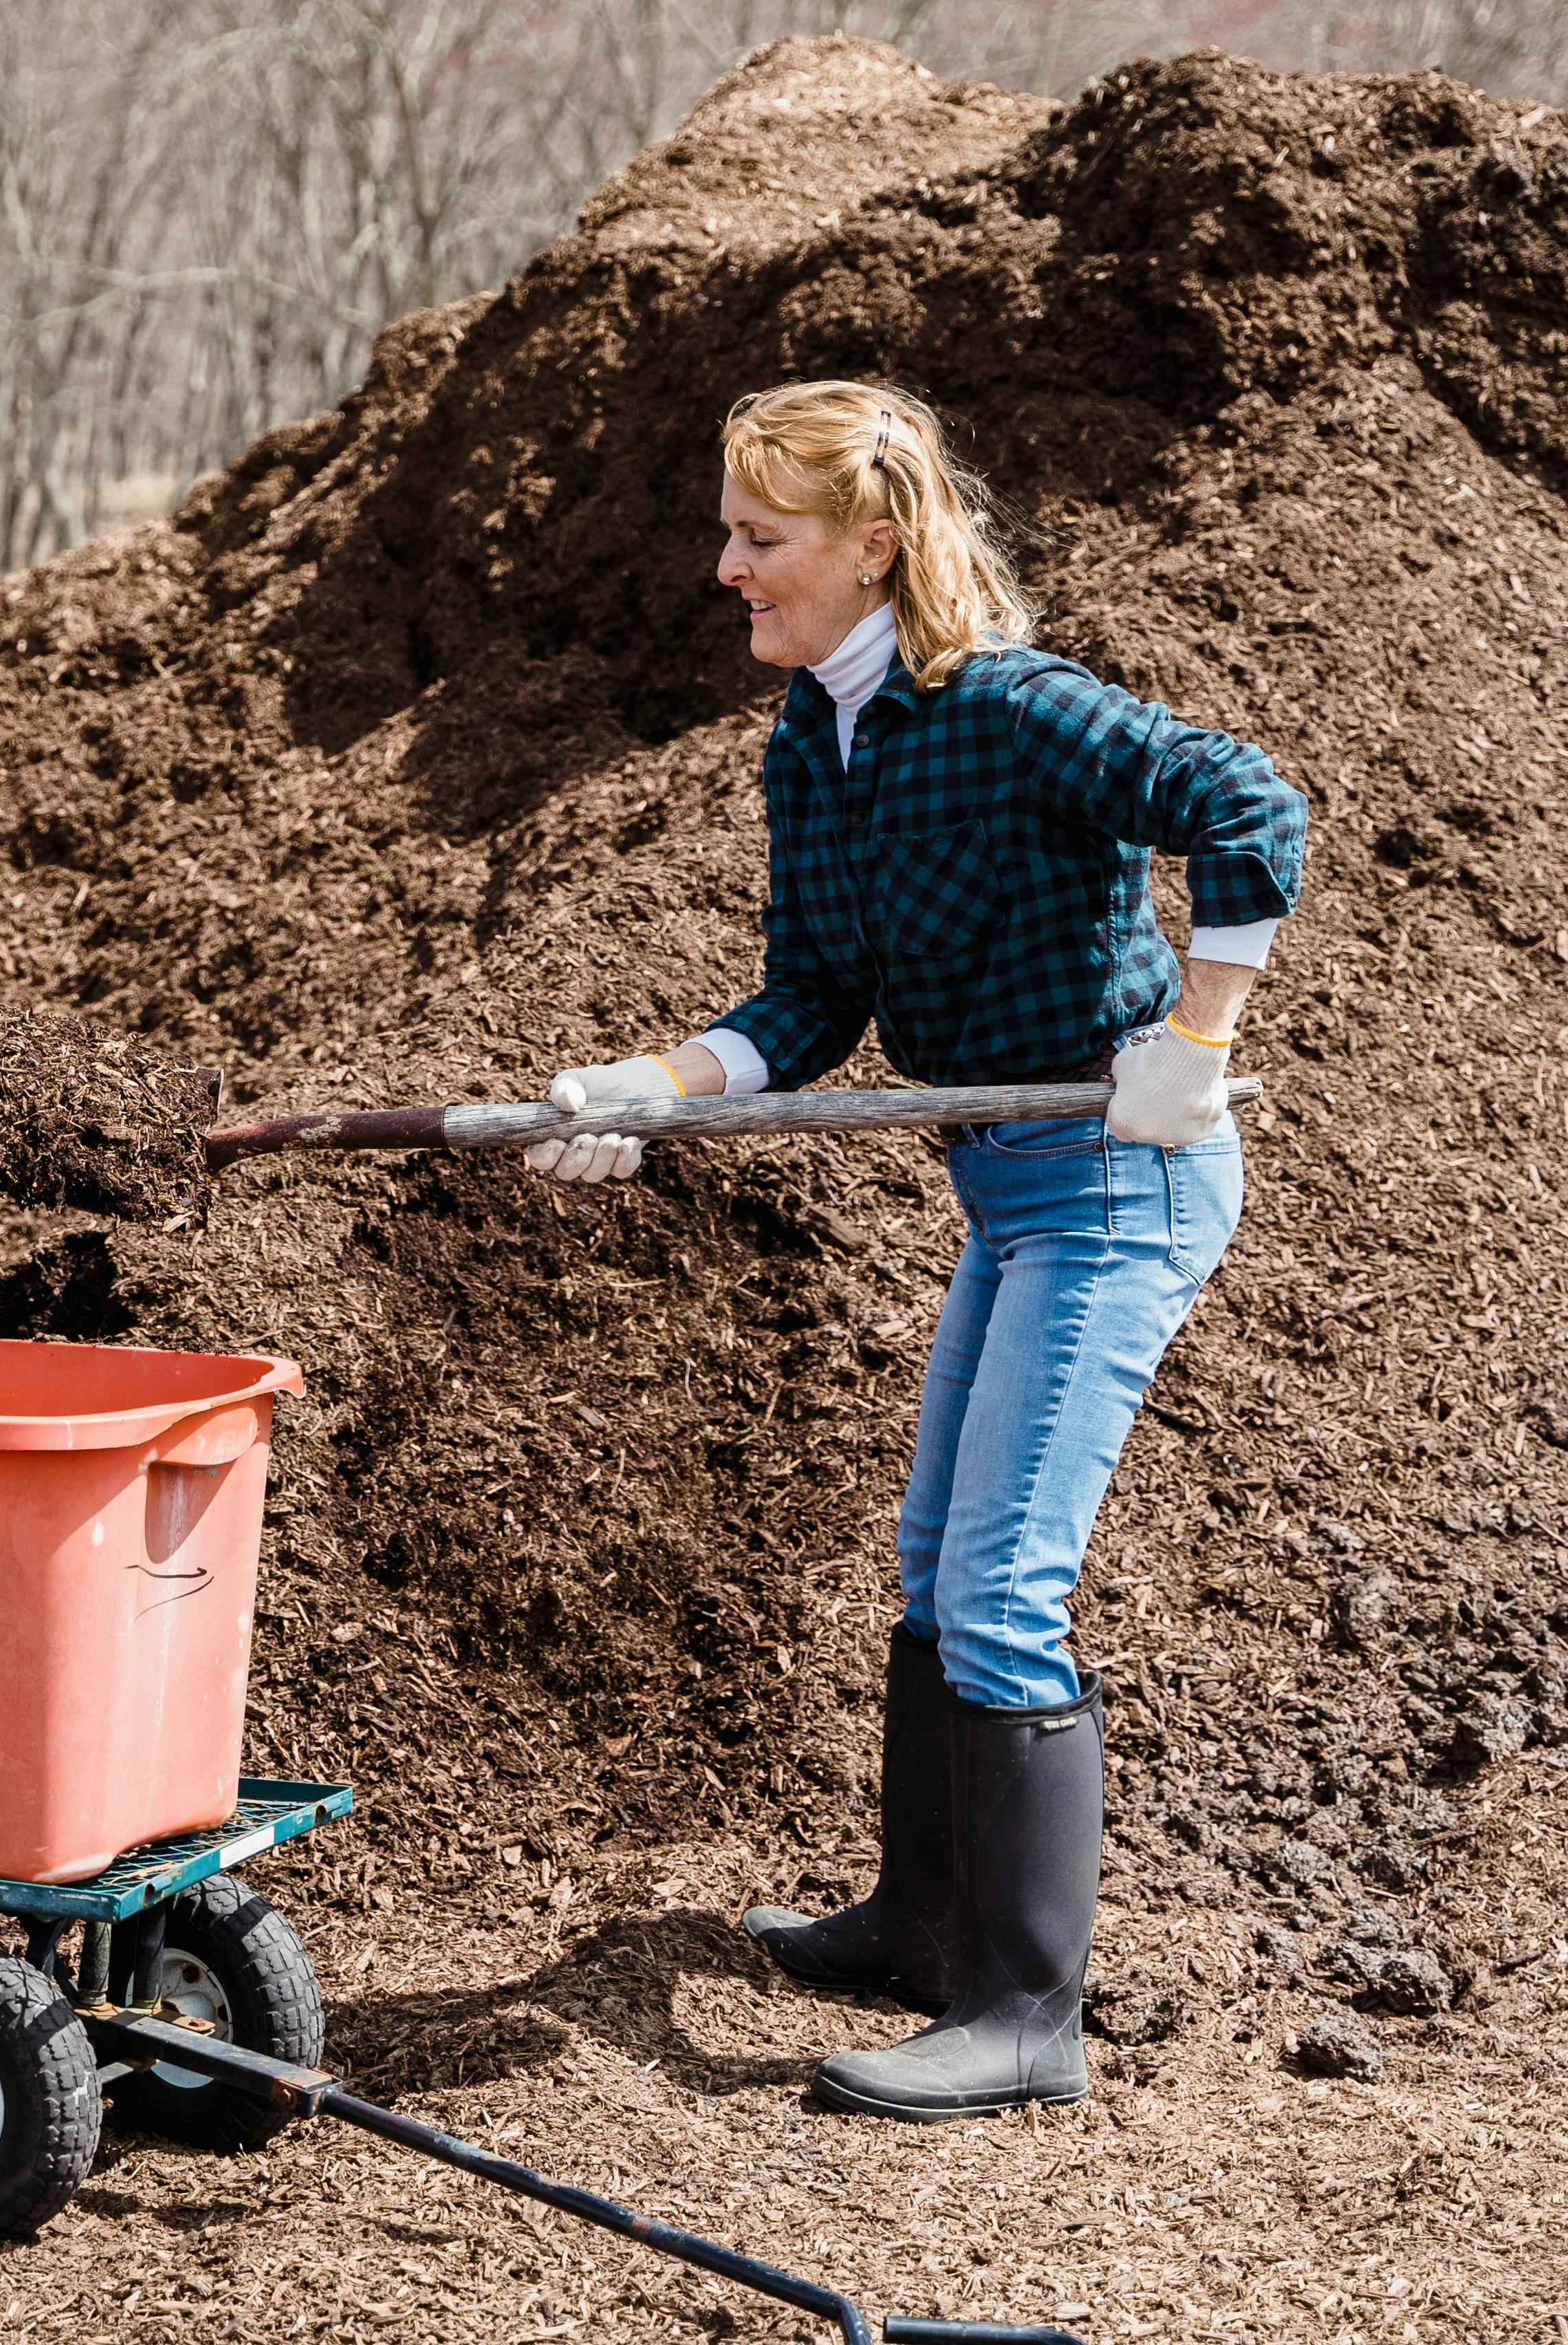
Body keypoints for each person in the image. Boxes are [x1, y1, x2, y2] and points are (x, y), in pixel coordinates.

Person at [531, 382, 1305, 2121]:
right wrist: (648, 1087)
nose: (727, 567)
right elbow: (812, 1002)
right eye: (729, 530)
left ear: (873, 544)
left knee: (1007, 1583)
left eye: (761, 537)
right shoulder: (815, 738)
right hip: (1008, 1184)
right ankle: (924, 1919)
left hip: (1116, 1182)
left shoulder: (1014, 711)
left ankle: (1028, 2012)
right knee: (936, 1558)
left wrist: (1196, 1032)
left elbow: (1252, 801)